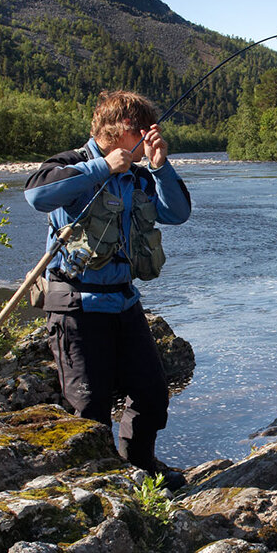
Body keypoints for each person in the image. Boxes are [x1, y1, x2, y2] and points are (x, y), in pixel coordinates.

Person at [24, 90, 191, 489]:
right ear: (119, 130)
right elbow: (35, 194)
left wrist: (161, 166)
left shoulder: (140, 175)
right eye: (144, 130)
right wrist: (102, 168)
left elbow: (178, 213)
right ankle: (97, 484)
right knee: (89, 406)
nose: (151, 137)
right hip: (76, 305)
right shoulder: (72, 164)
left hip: (124, 302)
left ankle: (140, 467)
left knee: (152, 394)